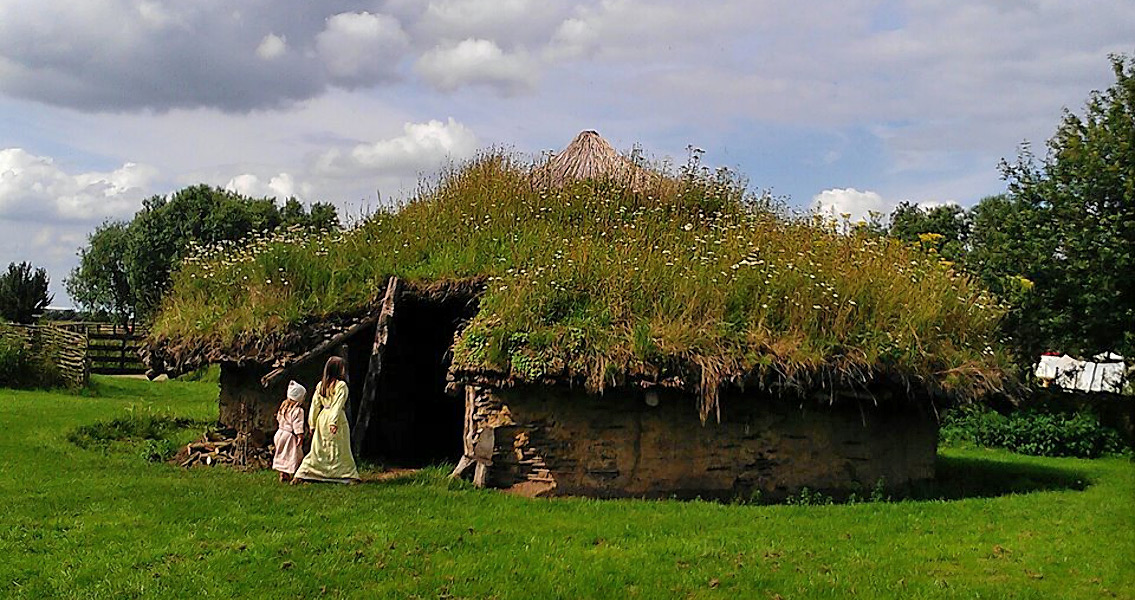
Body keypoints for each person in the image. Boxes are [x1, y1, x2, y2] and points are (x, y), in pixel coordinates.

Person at [293, 356, 360, 484]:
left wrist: (312, 423)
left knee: (320, 447)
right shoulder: (341, 386)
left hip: (322, 418)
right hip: (336, 418)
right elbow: (338, 404)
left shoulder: (321, 385)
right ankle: (347, 475)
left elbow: (315, 406)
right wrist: (333, 422)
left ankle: (305, 472)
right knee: (339, 448)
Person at [272, 380, 306, 483]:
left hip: (279, 433)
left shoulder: (283, 407)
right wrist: (300, 435)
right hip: (289, 436)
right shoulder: (298, 411)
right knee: (293, 454)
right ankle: (296, 473)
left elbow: (278, 418)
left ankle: (283, 473)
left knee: (282, 453)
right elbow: (297, 424)